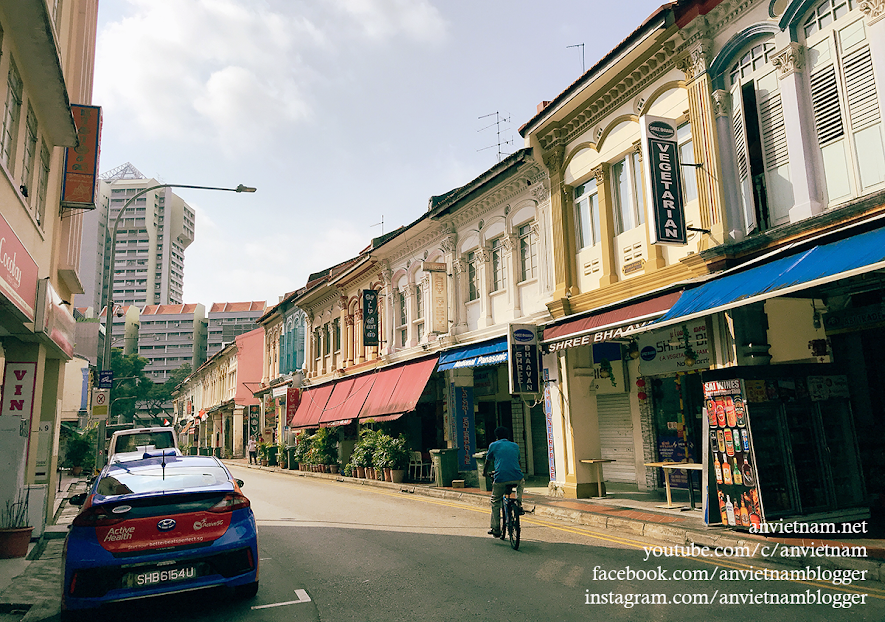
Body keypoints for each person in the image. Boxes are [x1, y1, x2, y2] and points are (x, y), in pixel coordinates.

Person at [482, 426, 525, 537]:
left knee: (495, 501)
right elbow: (518, 461)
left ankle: (496, 528)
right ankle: (519, 503)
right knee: (521, 482)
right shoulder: (515, 445)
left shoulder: (493, 445)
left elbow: (488, 461)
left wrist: (484, 472)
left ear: (497, 436)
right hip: (517, 476)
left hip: (501, 477)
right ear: (508, 436)